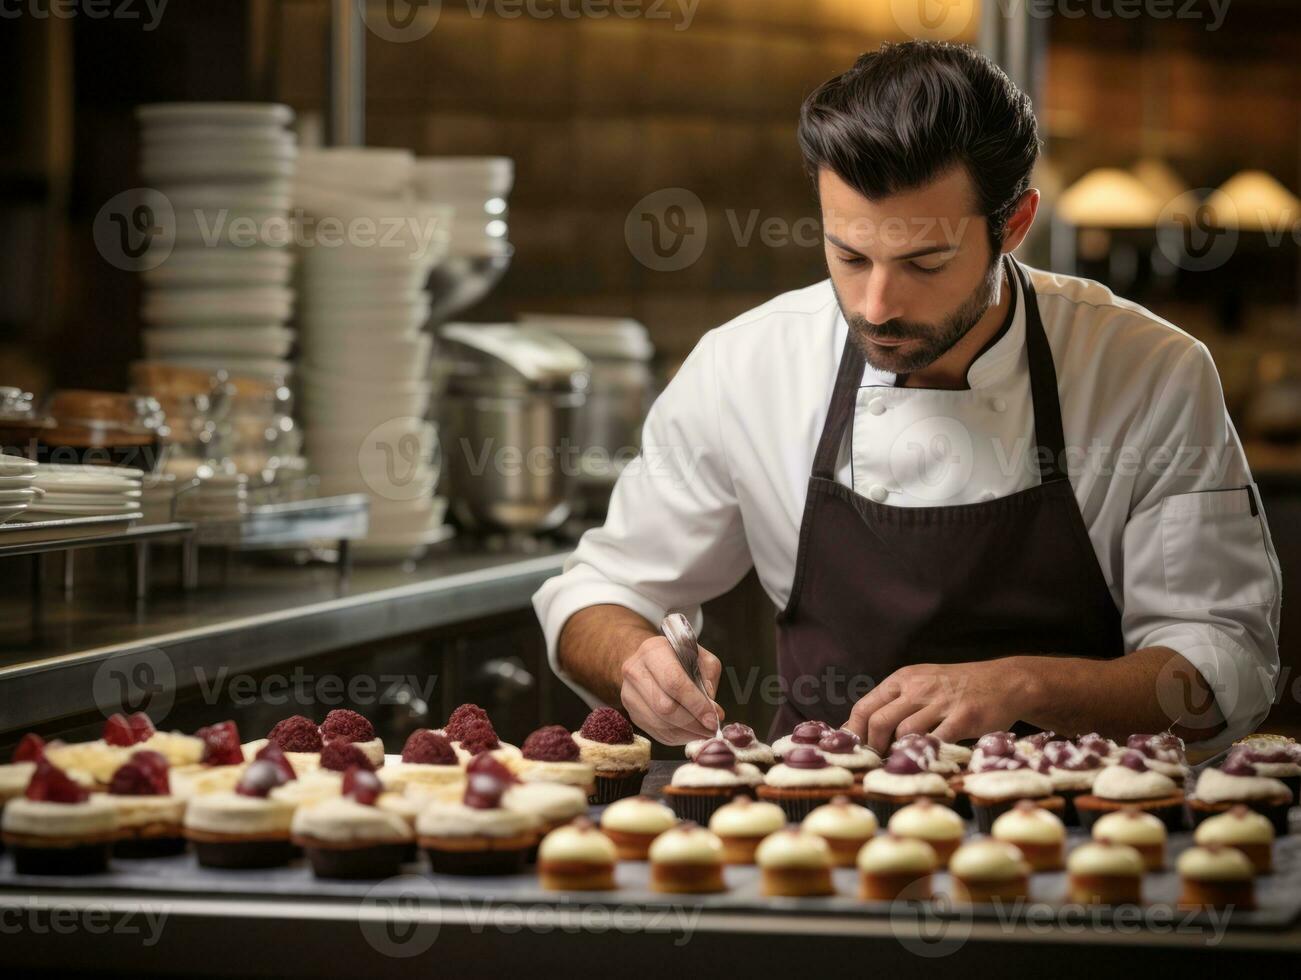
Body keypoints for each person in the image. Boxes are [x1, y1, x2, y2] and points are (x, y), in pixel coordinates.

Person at [533, 41, 1280, 753]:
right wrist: (634, 658)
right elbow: (602, 590)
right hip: (815, 834)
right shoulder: (747, 365)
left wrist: (1026, 684)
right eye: (849, 255)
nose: (877, 305)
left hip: (1088, 840)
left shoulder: (1148, 370)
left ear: (1013, 224)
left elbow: (1222, 664)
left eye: (924, 261)